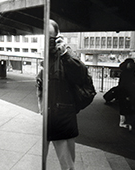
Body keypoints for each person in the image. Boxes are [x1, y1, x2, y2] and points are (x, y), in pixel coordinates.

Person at [36, 20, 86, 170]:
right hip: (45, 118)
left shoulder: (67, 54)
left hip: (63, 119)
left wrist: (64, 53)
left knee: (68, 166)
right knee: (39, 162)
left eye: (50, 37)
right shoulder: (47, 58)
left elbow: (80, 77)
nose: (47, 41)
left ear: (57, 37)